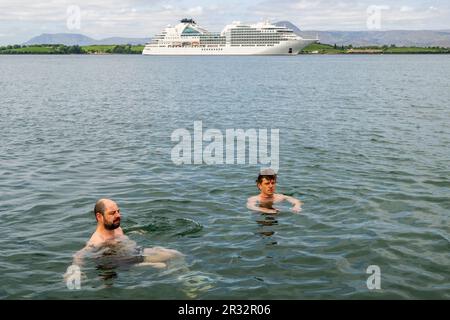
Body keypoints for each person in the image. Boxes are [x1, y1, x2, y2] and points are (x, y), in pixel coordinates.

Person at [71, 198, 182, 269]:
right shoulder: (98, 240)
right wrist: (75, 270)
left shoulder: (116, 228)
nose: (118, 215)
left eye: (118, 211)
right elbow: (79, 255)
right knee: (169, 259)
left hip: (136, 253)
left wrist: (136, 231)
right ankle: (189, 283)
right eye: (112, 213)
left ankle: (188, 282)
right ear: (99, 216)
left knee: (176, 255)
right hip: (128, 262)